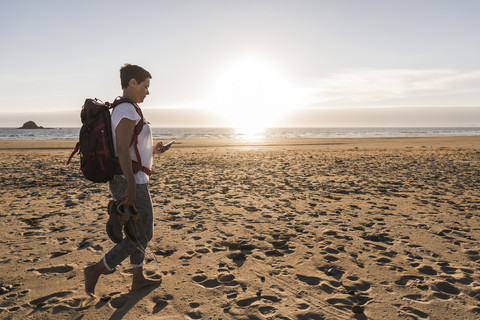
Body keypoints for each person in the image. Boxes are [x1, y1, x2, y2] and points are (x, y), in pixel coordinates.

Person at [84, 64, 170, 298]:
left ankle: (137, 277)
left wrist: (152, 150)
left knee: (137, 230)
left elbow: (130, 147)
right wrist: (131, 184)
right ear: (132, 82)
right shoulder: (126, 110)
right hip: (129, 179)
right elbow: (121, 148)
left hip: (132, 177)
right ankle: (96, 269)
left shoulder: (128, 109)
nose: (147, 92)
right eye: (145, 86)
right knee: (143, 233)